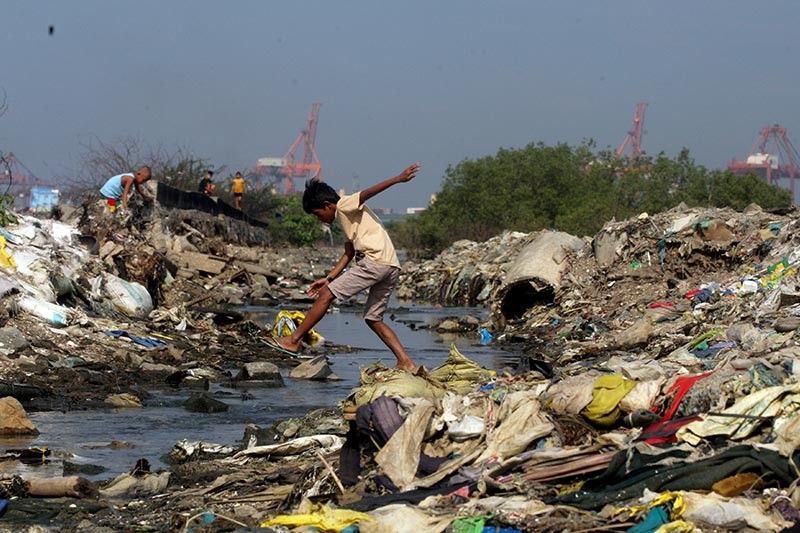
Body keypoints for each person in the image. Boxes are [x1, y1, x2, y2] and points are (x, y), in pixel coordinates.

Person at [267, 162, 421, 370]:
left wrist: (397, 178)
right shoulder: (348, 220)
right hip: (390, 266)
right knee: (373, 318)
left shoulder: (343, 205)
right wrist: (329, 278)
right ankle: (405, 361)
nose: (319, 219)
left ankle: (293, 341)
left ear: (327, 205)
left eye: (317, 213)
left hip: (374, 261)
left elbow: (367, 193)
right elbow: (348, 253)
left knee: (326, 296)